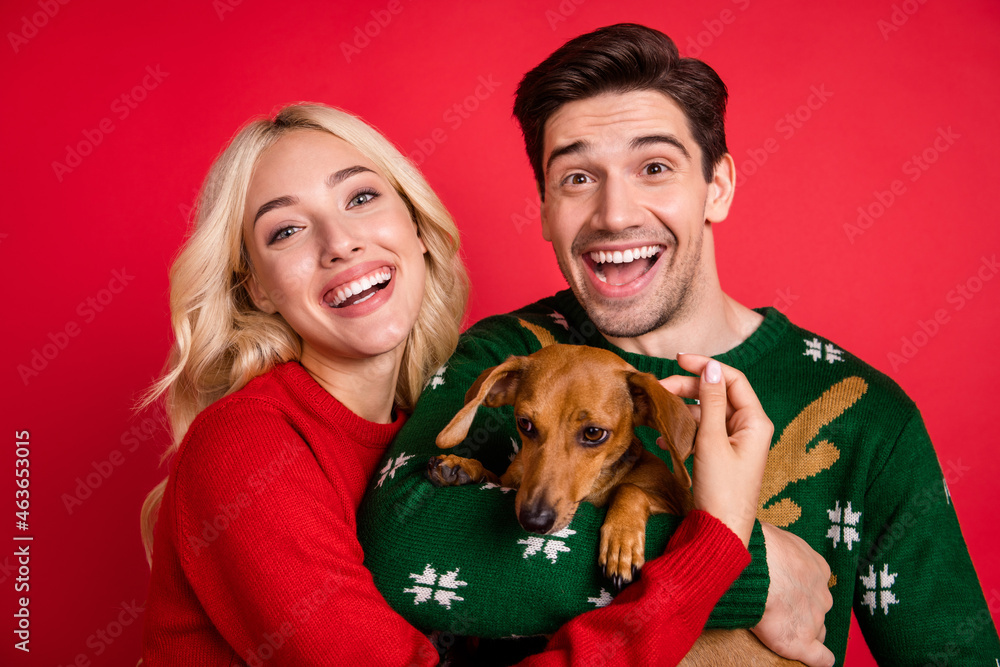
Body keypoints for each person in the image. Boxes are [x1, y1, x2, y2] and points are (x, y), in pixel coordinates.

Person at [358, 23, 1000, 666]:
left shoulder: (865, 412)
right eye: (577, 178)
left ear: (716, 187)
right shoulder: (505, 353)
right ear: (546, 208)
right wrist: (749, 574)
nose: (615, 213)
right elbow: (400, 548)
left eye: (655, 167)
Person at [139, 102, 779, 666]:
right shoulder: (249, 444)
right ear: (256, 287)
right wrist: (722, 560)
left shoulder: (432, 429)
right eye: (286, 231)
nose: (339, 244)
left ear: (416, 229)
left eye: (360, 198)